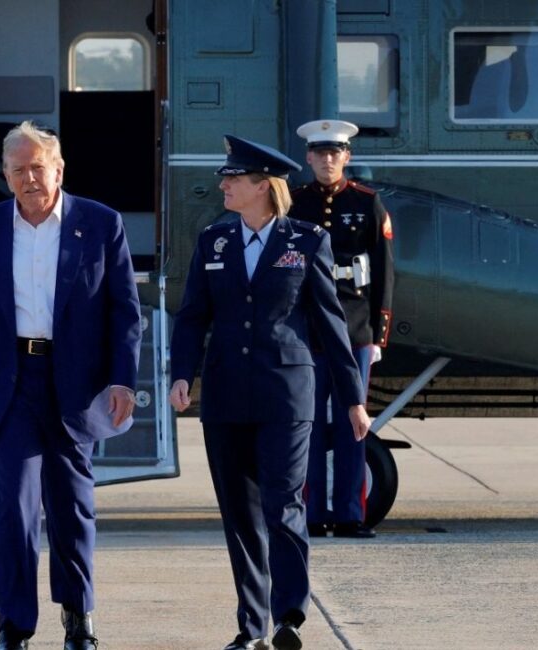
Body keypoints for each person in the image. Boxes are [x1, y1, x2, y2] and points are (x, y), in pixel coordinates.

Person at [168, 135, 370, 650]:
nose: (224, 184)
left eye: (234, 178)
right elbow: (193, 316)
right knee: (239, 513)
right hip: (226, 396)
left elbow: (330, 324)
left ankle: (289, 618)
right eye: (225, 177)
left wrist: (353, 399)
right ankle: (250, 626)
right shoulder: (214, 241)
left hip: (286, 394)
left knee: (283, 506)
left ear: (263, 185)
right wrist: (180, 375)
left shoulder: (306, 242)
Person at [0, 121, 141, 650]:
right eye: (18, 170)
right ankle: (13, 624)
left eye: (39, 167)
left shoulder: (101, 224)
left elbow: (125, 311)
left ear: (58, 169)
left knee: (73, 507)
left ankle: (79, 617)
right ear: (5, 175)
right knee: (12, 507)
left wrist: (124, 378)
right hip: (9, 384)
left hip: (76, 387)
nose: (30, 178)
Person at [290, 120, 394, 539]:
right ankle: (314, 514)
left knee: (355, 424)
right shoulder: (295, 204)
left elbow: (385, 271)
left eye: (336, 153)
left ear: (346, 157)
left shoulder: (368, 203)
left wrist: (378, 335)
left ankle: (351, 514)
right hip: (309, 331)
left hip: (354, 329)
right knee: (309, 424)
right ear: (309, 157)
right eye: (320, 153)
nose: (328, 160)